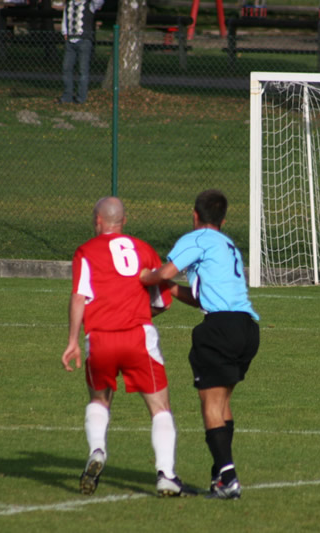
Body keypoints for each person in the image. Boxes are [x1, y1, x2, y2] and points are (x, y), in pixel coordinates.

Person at [61, 196, 194, 498]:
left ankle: (97, 450)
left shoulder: (85, 251)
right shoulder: (145, 249)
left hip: (100, 338)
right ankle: (166, 475)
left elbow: (79, 296)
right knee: (160, 408)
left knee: (99, 400)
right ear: (124, 221)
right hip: (138, 337)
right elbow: (161, 302)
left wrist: (72, 341)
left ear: (97, 221)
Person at [140, 189, 260, 500]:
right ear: (222, 218)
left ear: (195, 215)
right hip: (246, 328)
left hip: (219, 329)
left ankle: (229, 478)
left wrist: (144, 278)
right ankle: (220, 475)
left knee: (210, 405)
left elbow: (164, 271)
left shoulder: (196, 239)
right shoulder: (228, 244)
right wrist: (169, 287)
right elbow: (198, 297)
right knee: (222, 404)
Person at [56, 0, 104, 104]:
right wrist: (65, 32)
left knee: (83, 71)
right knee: (66, 68)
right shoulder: (69, 4)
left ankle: (81, 98)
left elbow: (99, 2)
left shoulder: (89, 5)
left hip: (84, 41)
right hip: (70, 41)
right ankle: (67, 96)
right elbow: (65, 20)